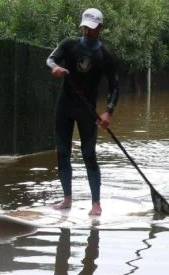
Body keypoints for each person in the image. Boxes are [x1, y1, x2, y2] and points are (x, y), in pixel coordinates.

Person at [46, 8, 119, 215]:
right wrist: (55, 68)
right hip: (65, 106)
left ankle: (96, 204)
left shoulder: (105, 55)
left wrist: (108, 112)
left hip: (87, 110)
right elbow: (50, 59)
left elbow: (115, 87)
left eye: (92, 28)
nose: (88, 32)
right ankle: (67, 199)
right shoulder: (69, 45)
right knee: (62, 152)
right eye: (85, 27)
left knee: (88, 154)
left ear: (100, 28)